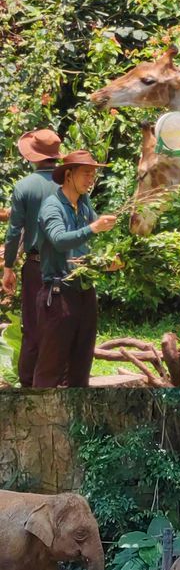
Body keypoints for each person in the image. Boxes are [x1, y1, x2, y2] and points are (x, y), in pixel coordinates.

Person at [33, 150, 117, 388]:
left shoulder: (84, 203)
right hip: (59, 294)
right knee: (51, 367)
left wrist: (106, 261)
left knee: (82, 363)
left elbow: (85, 246)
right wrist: (93, 229)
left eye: (93, 174)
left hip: (85, 291)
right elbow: (59, 240)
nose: (91, 179)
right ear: (68, 175)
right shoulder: (51, 206)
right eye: (86, 173)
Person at [2, 129, 63, 386]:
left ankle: (28, 381)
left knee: (32, 326)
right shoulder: (70, 184)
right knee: (62, 325)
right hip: (67, 266)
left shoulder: (24, 186)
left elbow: (15, 230)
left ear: (33, 156)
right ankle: (61, 380)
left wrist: (8, 268)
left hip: (36, 267)